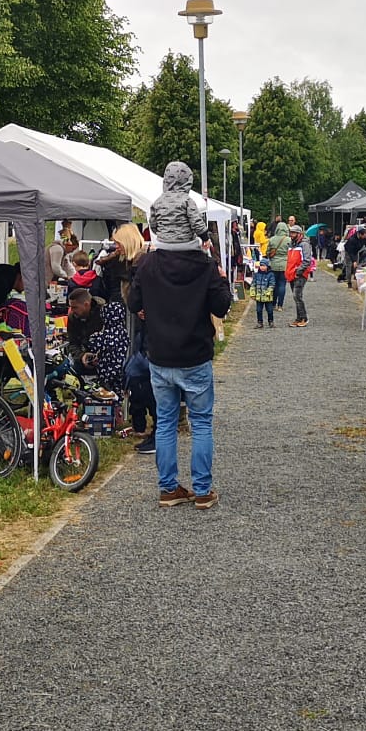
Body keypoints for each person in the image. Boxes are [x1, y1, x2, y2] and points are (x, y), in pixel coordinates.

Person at [129, 195, 233, 509]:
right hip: (195, 354)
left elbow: (133, 303)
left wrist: (150, 309)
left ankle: (168, 488)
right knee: (200, 423)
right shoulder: (204, 264)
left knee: (165, 423)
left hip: (160, 355)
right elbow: (221, 306)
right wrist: (223, 282)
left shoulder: (148, 263)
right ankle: (202, 490)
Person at [149, 162, 207, 249]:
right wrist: (205, 238)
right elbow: (196, 222)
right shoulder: (187, 201)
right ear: (187, 181)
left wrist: (165, 234)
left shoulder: (157, 202)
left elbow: (153, 224)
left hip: (163, 245)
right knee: (204, 256)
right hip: (186, 244)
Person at [286, 230, 316, 327]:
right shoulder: (291, 244)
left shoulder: (304, 245)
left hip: (300, 274)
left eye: (293, 233)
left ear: (299, 234)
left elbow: (307, 260)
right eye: (291, 233)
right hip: (292, 273)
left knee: (297, 296)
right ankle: (299, 318)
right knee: (297, 297)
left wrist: (298, 271)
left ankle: (303, 318)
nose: (291, 235)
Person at [265, 221, 291, 311]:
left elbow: (267, 252)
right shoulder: (289, 240)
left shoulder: (272, 239)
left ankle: (273, 304)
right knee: (282, 284)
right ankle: (280, 305)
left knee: (274, 284)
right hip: (285, 264)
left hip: (273, 265)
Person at [251, 255, 277, 327]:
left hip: (267, 296)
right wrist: (253, 293)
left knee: (270, 310)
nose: (262, 267)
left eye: (264, 266)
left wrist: (268, 292)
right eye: (261, 266)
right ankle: (260, 322)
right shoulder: (256, 274)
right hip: (259, 296)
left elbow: (272, 284)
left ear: (267, 266)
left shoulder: (271, 274)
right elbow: (253, 284)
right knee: (258, 310)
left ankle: (271, 321)